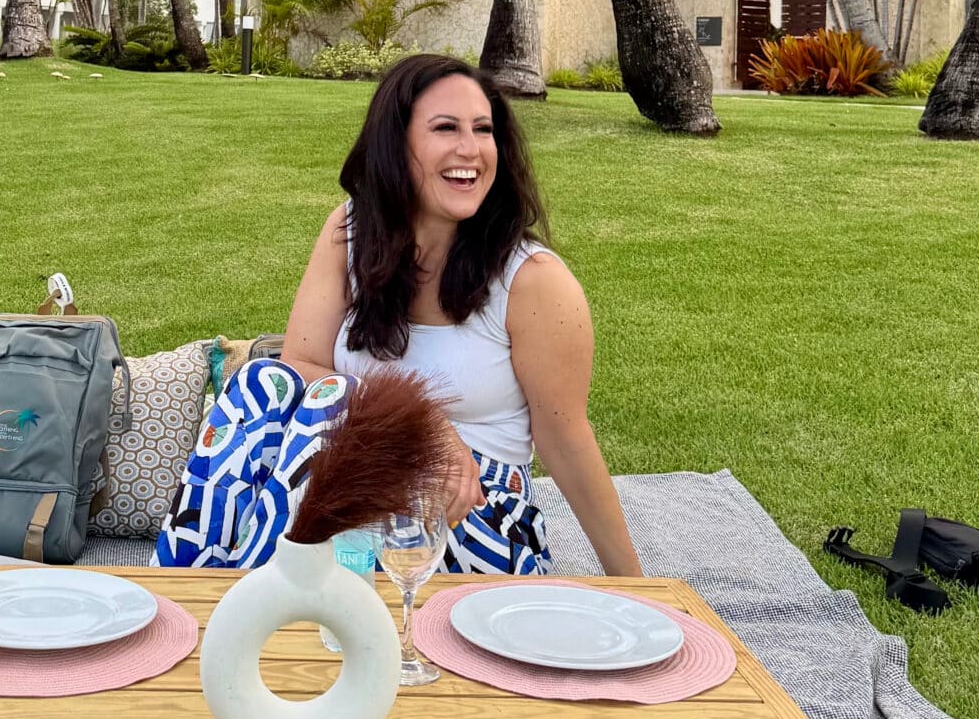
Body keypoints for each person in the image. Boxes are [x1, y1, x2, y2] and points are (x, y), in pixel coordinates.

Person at [157, 53, 642, 576]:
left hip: (473, 513)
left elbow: (566, 439)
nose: (470, 149)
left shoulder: (534, 281)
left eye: (482, 129)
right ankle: (188, 586)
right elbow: (299, 366)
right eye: (445, 128)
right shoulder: (352, 231)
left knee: (336, 406)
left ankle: (259, 603)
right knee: (260, 383)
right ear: (397, 144)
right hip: (360, 479)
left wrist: (636, 585)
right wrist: (422, 422)